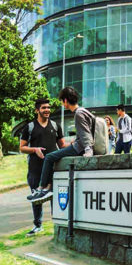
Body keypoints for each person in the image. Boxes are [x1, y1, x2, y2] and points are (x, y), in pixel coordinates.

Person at [28, 87, 95, 204]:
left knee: (49, 157)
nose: (62, 105)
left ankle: (42, 188)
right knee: (54, 157)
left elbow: (86, 134)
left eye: (62, 102)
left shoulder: (78, 114)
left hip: (79, 148)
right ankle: (47, 187)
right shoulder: (84, 111)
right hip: (78, 145)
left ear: (65, 100)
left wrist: (88, 150)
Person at [20, 99, 65, 236]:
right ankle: (37, 225)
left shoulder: (56, 126)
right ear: (37, 110)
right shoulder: (29, 127)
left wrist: (76, 145)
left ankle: (57, 224)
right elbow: (22, 147)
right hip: (35, 169)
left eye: (48, 107)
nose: (47, 110)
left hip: (52, 169)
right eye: (44, 107)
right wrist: (34, 150)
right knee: (36, 198)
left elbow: (62, 145)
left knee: (54, 197)